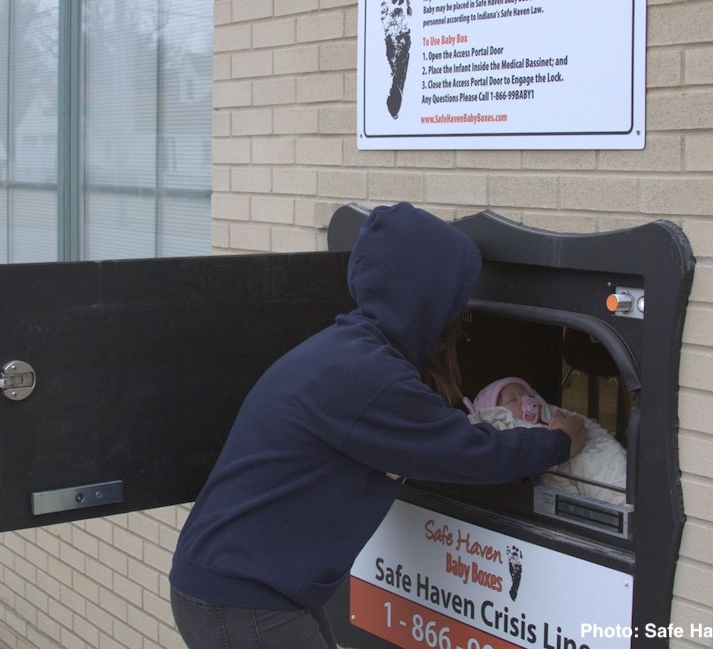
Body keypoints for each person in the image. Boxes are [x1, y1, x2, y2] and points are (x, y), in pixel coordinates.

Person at [168, 202, 588, 649]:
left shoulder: (349, 348)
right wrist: (559, 441)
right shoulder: (366, 375)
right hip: (244, 597)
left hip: (247, 585)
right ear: (424, 296)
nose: (458, 318)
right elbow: (468, 453)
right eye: (455, 304)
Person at [467, 377, 627, 504]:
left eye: (528, 396)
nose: (525, 402)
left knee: (601, 466)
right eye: (512, 401)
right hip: (551, 489)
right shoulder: (509, 429)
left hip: (576, 477)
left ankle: (619, 495)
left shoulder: (550, 418)